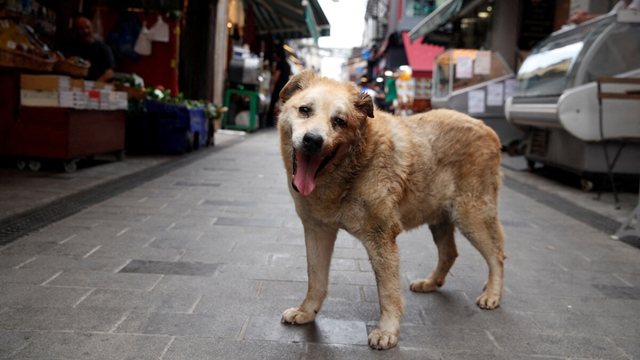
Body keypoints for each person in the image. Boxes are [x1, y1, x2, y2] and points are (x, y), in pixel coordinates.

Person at [65, 16, 115, 82]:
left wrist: (94, 85)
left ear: (92, 28)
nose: (85, 31)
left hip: (96, 86)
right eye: (81, 29)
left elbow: (109, 73)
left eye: (87, 27)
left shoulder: (103, 48)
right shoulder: (71, 46)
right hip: (74, 84)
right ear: (76, 31)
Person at [267, 45, 291, 127]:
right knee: (283, 105)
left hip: (278, 87)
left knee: (273, 104)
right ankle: (283, 122)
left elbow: (276, 76)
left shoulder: (280, 64)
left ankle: (269, 121)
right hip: (285, 87)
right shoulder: (288, 65)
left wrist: (272, 85)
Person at [569, 0, 639, 24]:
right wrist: (586, 18)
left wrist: (586, 18)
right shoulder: (622, 3)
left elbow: (628, 15)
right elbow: (611, 17)